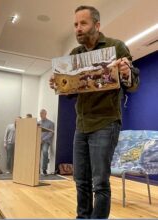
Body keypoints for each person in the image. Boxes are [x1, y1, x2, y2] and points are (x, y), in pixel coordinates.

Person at [50, 6, 139, 219]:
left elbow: (133, 84)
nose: (78, 29)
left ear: (97, 25)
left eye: (83, 24)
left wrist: (126, 73)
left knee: (100, 182)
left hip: (106, 123)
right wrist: (59, 84)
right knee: (80, 179)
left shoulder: (116, 47)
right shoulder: (75, 54)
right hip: (81, 124)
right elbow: (70, 92)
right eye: (75, 24)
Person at [38, 109, 54, 176]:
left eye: (42, 113)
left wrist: (43, 140)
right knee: (36, 155)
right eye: (40, 113)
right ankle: (37, 170)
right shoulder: (38, 123)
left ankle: (44, 170)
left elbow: (50, 134)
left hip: (46, 142)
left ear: (45, 114)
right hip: (38, 141)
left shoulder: (50, 123)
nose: (41, 115)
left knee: (45, 152)